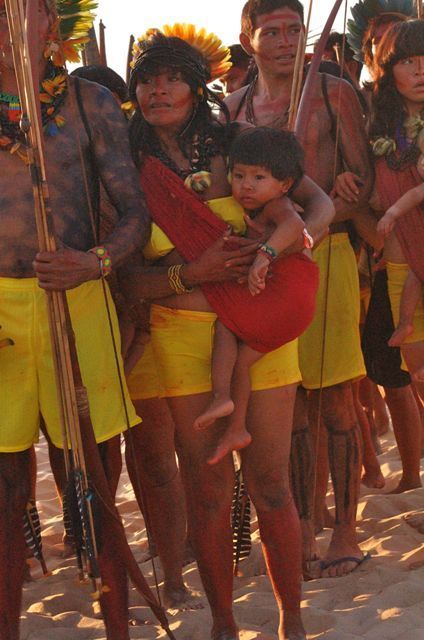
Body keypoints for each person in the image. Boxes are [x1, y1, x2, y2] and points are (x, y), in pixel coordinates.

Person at [122, 23, 334, 640]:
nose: (158, 90)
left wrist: (280, 248)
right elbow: (124, 278)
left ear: (196, 85)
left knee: (272, 483)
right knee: (208, 493)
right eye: (147, 79)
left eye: (172, 78)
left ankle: (292, 622)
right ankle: (221, 623)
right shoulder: (125, 168)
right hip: (182, 336)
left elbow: (315, 206)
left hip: (263, 327)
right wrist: (193, 272)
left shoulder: (241, 144)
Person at [0, 2, 151, 639]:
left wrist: (94, 262)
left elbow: (134, 216)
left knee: (93, 474)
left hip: (79, 297)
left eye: (28, 8)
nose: (12, 21)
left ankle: (116, 622)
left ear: (51, 23)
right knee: (5, 491)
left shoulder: (89, 102)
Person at [226, 0, 375, 577]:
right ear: (248, 37)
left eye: (295, 29)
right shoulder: (235, 106)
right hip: (259, 267)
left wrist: (340, 192)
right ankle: (303, 523)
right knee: (286, 411)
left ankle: (345, 529)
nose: (286, 41)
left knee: (336, 397)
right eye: (272, 31)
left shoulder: (334, 94)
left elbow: (357, 187)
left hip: (327, 252)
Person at [194, 126, 318, 467]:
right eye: (238, 175)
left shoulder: (278, 206)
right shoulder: (263, 204)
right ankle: (236, 427)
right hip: (293, 306)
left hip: (287, 297)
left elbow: (295, 227)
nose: (246, 185)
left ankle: (221, 397)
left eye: (259, 177)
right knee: (243, 362)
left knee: (225, 326)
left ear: (285, 184)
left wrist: (265, 255)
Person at [377, 182, 424, 354]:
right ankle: (405, 323)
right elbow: (415, 194)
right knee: (415, 277)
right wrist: (390, 215)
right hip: (419, 253)